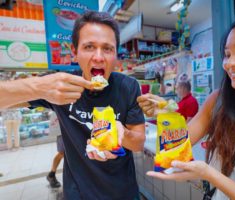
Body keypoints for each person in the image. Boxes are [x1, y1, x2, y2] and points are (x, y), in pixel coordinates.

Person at [137, 12, 235, 200]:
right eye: (227, 54)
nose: (229, 63)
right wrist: (166, 114)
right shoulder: (218, 101)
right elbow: (176, 146)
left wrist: (209, 174)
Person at [9, 11, 145, 199]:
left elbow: (138, 143)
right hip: (77, 193)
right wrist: (38, 86)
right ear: (75, 52)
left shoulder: (128, 87)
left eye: (107, 49)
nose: (99, 57)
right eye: (89, 47)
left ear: (115, 54)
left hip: (122, 192)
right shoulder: (62, 84)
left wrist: (122, 133)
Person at [47, 112, 64, 188]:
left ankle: (52, 174)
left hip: (70, 127)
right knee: (62, 153)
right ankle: (51, 174)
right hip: (62, 129)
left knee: (64, 153)